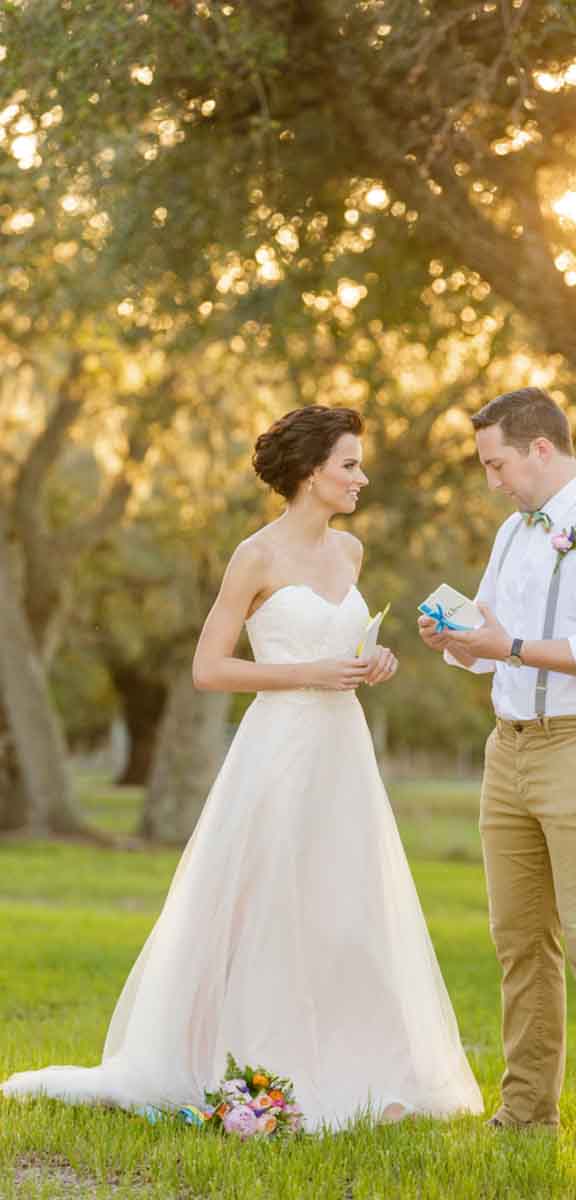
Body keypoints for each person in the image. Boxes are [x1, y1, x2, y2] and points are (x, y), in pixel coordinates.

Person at [2, 405, 483, 1131]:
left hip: (342, 751)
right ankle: (253, 1064)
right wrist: (310, 670)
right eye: (350, 464)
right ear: (310, 472)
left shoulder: (350, 553)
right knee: (268, 902)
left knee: (346, 903)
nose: (362, 477)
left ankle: (359, 1064)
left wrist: (370, 661)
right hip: (280, 748)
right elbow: (208, 667)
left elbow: (343, 649)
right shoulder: (254, 556)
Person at [418, 387, 576, 1151]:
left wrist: (512, 648)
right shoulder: (514, 534)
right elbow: (492, 635)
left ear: (542, 450)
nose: (494, 482)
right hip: (511, 746)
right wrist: (455, 639)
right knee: (519, 938)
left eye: (499, 466)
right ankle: (526, 1109)